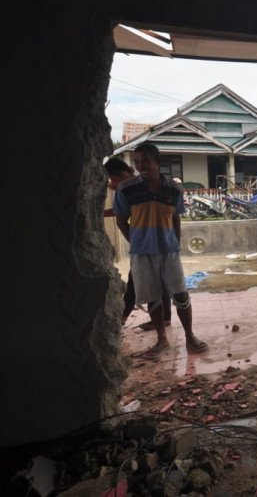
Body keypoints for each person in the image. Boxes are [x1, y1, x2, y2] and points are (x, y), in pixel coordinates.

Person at [113, 143, 208, 359]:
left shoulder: (174, 189)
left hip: (169, 251)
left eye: (145, 160)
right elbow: (121, 220)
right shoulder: (126, 188)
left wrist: (175, 242)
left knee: (181, 293)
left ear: (157, 161)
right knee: (152, 296)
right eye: (136, 162)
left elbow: (175, 218)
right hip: (141, 253)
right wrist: (135, 241)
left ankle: (190, 337)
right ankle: (161, 340)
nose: (140, 165)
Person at [103, 157, 172, 328]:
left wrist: (134, 241)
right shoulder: (143, 183)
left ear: (119, 174)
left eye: (113, 178)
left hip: (146, 242)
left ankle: (123, 318)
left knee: (136, 280)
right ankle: (164, 319)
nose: (113, 183)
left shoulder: (126, 188)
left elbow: (120, 218)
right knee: (159, 281)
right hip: (160, 239)